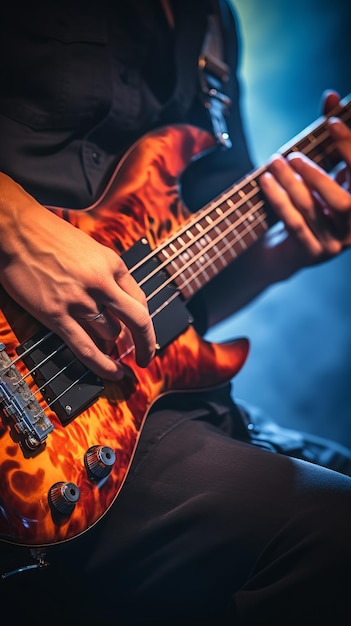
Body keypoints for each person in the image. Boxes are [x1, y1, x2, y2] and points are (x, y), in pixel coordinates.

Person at [0, 1, 351, 624]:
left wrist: (285, 252)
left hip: (135, 408)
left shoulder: (213, 24)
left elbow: (181, 290)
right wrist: (14, 227)